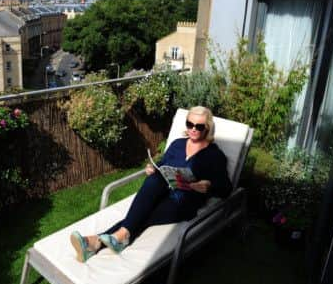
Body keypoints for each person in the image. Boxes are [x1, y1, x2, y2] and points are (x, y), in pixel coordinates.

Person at [70, 106, 232, 262]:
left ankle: (95, 241)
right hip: (164, 190)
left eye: (199, 126)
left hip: (184, 202)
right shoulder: (178, 144)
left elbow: (226, 188)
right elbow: (162, 164)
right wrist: (152, 169)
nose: (193, 129)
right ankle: (117, 237)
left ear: (207, 127)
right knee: (154, 180)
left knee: (143, 214)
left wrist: (208, 185)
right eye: (190, 124)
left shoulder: (215, 155)